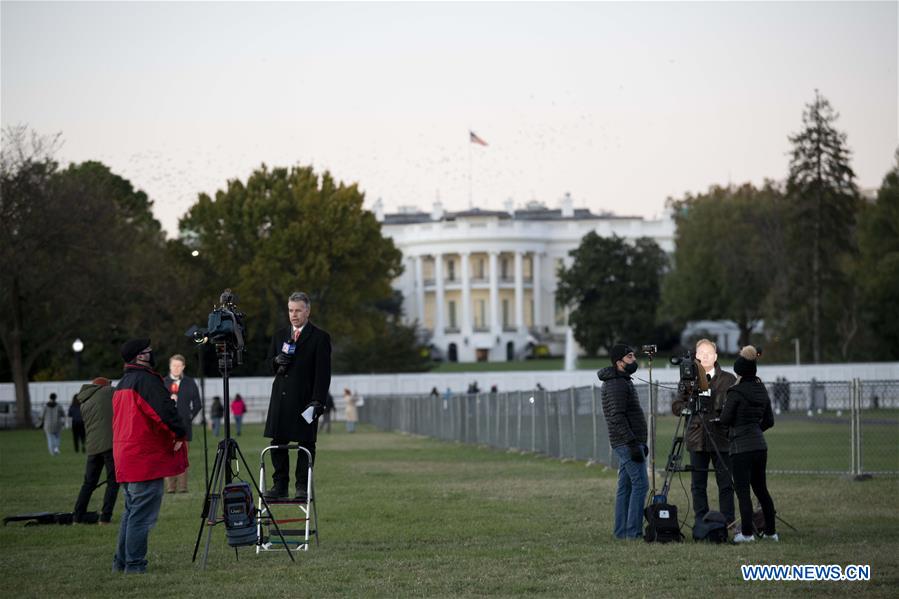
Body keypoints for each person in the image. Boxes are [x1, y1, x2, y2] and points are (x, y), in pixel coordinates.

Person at [112, 338, 188, 573]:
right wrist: (180, 431)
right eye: (148, 351)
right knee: (141, 516)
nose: (152, 354)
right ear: (140, 357)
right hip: (143, 457)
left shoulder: (123, 382)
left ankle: (122, 562)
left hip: (126, 454)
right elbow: (164, 412)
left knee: (131, 512)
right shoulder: (146, 381)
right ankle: (134, 564)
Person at [264, 291, 331, 501]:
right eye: (291, 310)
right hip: (281, 399)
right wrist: (277, 361)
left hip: (305, 400)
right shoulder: (279, 335)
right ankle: (279, 486)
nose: (294, 315)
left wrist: (318, 401)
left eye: (298, 310)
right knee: (278, 444)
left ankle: (302, 487)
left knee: (306, 444)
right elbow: (269, 365)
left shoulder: (320, 338)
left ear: (307, 311)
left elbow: (323, 374)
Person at [671, 338, 737, 525]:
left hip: (721, 437)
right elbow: (677, 406)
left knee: (725, 483)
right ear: (696, 356)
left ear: (715, 356)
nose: (705, 356)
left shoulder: (728, 379)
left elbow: (734, 408)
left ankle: (728, 521)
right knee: (697, 485)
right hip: (696, 437)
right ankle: (701, 520)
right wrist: (690, 404)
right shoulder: (688, 379)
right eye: (701, 353)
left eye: (709, 353)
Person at [719, 345, 777, 543]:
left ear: (738, 371)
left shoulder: (735, 391)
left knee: (743, 492)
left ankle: (746, 533)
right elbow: (769, 420)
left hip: (740, 448)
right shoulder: (762, 390)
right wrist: (754, 430)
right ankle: (771, 532)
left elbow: (725, 419)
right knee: (761, 490)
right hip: (760, 446)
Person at [598, 343, 648, 540]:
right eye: (630, 357)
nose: (634, 360)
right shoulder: (617, 384)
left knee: (626, 486)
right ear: (619, 362)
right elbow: (617, 417)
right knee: (641, 485)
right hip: (626, 443)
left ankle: (621, 532)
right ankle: (633, 533)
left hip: (629, 441)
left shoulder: (622, 381)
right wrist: (633, 443)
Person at [73, 377, 120, 524]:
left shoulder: (85, 401)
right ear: (104, 386)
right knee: (113, 481)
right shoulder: (106, 392)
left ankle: (77, 516)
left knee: (89, 483)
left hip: (93, 447)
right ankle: (105, 517)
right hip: (108, 445)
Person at [163, 354, 202, 493]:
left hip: (184, 426)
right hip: (167, 427)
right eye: (174, 365)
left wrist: (189, 416)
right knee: (168, 456)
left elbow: (198, 404)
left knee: (182, 457)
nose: (176, 368)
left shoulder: (190, 382)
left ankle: (183, 487)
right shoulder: (162, 382)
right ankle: (170, 487)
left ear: (183, 367)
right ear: (169, 366)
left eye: (179, 366)